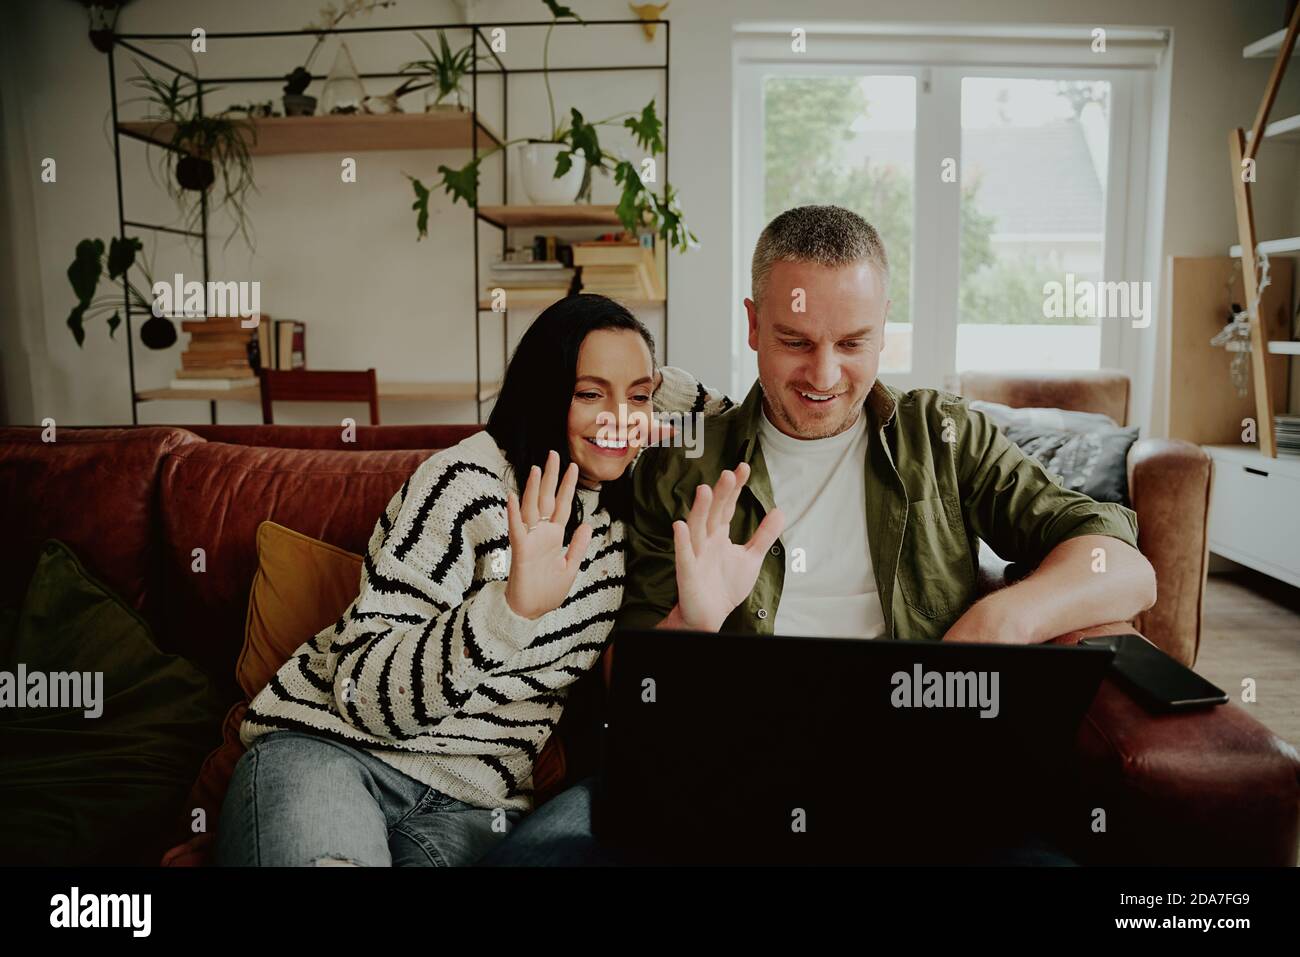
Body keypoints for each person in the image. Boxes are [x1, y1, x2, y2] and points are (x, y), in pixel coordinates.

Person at [479, 205, 1158, 867]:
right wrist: (693, 620)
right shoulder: (681, 464)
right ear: (752, 325)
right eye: (796, 341)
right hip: (718, 780)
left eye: (853, 343)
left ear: (883, 328)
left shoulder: (944, 438)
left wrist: (1003, 619)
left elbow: (1125, 565)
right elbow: (630, 690)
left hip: (921, 780)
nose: (825, 376)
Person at [212, 294, 759, 867]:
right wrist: (509, 613)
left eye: (639, 397)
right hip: (336, 752)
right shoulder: (464, 483)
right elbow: (365, 699)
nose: (619, 418)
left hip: (476, 806)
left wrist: (632, 375)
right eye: (588, 393)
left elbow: (728, 412)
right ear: (545, 392)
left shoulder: (623, 508)